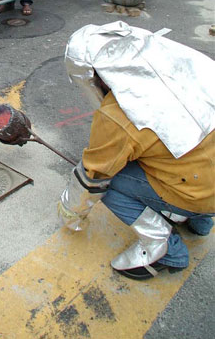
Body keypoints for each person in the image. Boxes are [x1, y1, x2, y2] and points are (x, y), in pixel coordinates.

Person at [59, 21, 215, 280]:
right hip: (205, 175)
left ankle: (163, 248)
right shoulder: (179, 61)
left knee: (109, 182)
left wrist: (70, 211)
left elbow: (93, 177)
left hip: (199, 192)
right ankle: (200, 221)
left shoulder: (119, 112)